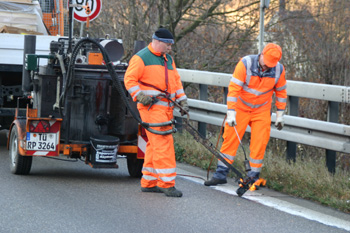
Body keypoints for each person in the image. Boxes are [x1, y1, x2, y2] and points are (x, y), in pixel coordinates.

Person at [204, 43, 287, 190]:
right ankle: (220, 174)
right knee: (230, 140)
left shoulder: (278, 70)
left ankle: (252, 178)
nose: (268, 66)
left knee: (259, 143)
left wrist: (280, 114)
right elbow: (234, 88)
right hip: (241, 108)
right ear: (261, 54)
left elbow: (281, 92)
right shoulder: (245, 64)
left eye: (271, 64)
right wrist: (231, 112)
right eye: (266, 62)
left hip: (261, 110)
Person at [124, 27, 189, 197]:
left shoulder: (168, 59)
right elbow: (129, 80)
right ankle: (167, 184)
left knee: (154, 144)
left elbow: (176, 81)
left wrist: (182, 100)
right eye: (168, 44)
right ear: (158, 42)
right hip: (151, 108)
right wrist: (140, 96)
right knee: (163, 143)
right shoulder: (141, 58)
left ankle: (149, 181)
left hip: (166, 108)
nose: (170, 48)